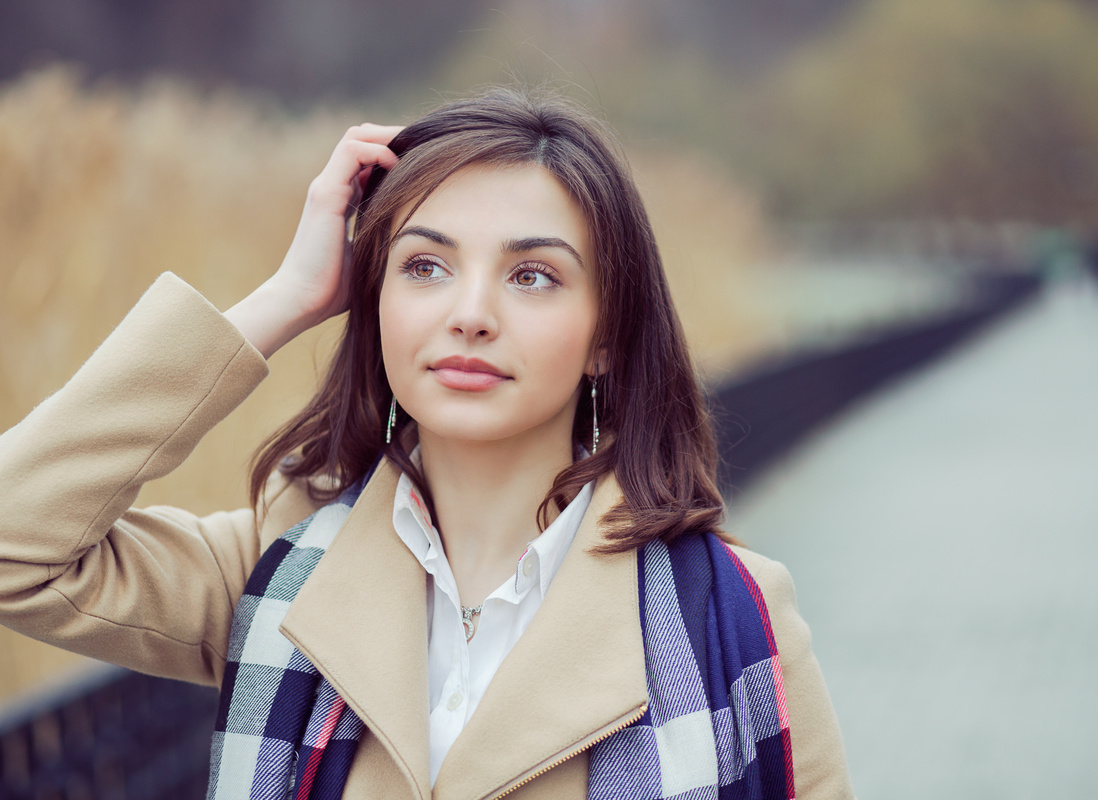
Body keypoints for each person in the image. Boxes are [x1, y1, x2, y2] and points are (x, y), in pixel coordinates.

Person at [0, 88, 853, 799]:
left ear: (607, 337)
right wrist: (289, 295)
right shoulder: (284, 571)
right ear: (372, 305)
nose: (470, 313)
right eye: (424, 267)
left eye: (532, 276)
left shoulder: (725, 613)